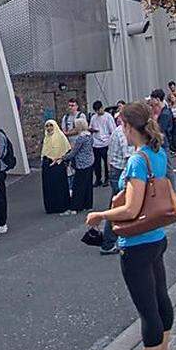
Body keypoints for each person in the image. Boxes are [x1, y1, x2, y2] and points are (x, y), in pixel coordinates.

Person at [86, 101, 176, 350]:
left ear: (128, 126)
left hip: (136, 244)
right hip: (157, 237)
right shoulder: (158, 152)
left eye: (121, 124)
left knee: (148, 311)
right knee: (161, 299)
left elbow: (130, 209)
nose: (120, 129)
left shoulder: (137, 160)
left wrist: (100, 215)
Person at [99, 101, 135, 255]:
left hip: (115, 170)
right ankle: (108, 242)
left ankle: (114, 239)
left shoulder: (117, 131)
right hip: (120, 172)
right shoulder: (122, 134)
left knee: (117, 206)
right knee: (120, 207)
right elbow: (130, 157)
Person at [59, 115, 95, 214]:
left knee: (78, 186)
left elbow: (74, 152)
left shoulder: (81, 138)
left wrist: (63, 157)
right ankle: (88, 204)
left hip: (81, 164)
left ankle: (75, 206)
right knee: (87, 185)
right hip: (89, 161)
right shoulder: (89, 136)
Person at [40, 120, 71, 214]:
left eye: (51, 126)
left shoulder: (60, 136)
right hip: (47, 164)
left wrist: (59, 159)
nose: (49, 128)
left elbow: (67, 150)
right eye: (47, 126)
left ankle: (61, 205)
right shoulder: (46, 138)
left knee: (59, 186)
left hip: (58, 164)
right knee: (49, 186)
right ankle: (51, 207)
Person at [90, 100, 117, 187]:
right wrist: (92, 130)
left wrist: (111, 141)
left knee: (106, 162)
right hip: (96, 143)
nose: (98, 112)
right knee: (96, 163)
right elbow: (90, 127)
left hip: (105, 143)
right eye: (96, 110)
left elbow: (112, 130)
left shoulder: (108, 117)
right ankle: (98, 179)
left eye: (99, 110)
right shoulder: (94, 117)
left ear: (102, 108)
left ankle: (107, 178)